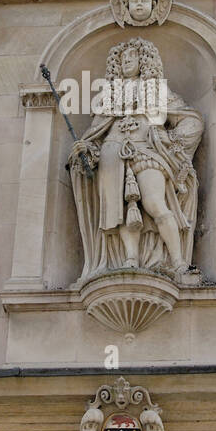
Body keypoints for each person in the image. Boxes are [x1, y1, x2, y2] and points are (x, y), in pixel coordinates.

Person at [68, 38, 203, 282]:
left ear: (144, 60)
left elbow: (192, 121)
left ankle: (179, 264)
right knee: (117, 210)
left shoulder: (158, 91)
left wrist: (171, 144)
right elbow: (96, 133)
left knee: (155, 204)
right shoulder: (108, 97)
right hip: (111, 152)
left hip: (147, 150)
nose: (127, 61)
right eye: (123, 58)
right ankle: (129, 260)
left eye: (132, 56)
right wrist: (85, 148)